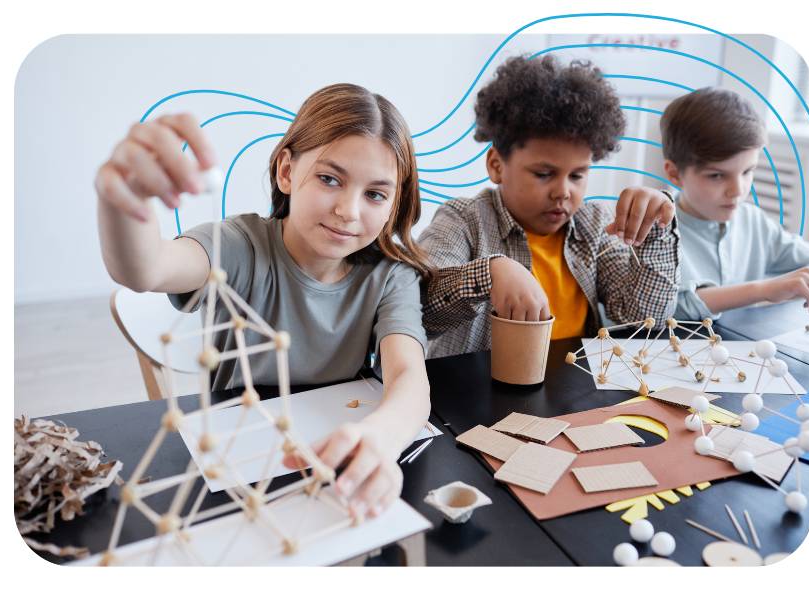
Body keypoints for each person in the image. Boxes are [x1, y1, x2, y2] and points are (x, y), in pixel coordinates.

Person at [95, 83, 431, 518]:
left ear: (393, 204)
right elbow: (146, 268)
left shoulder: (391, 275)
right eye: (330, 179)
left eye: (375, 194)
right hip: (238, 468)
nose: (349, 210)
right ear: (287, 171)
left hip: (333, 464)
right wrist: (125, 200)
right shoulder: (240, 246)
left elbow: (410, 378)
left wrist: (381, 436)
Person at [419, 55, 679, 357]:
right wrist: (490, 273)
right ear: (496, 165)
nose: (563, 192)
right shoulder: (464, 220)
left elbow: (645, 319)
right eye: (544, 174)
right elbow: (420, 308)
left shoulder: (594, 224)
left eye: (578, 175)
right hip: (474, 393)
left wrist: (656, 229)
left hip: (571, 392)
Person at [660, 87, 809, 320]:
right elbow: (672, 307)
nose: (738, 190)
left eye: (747, 171)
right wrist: (764, 290)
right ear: (674, 174)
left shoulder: (753, 221)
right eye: (717, 176)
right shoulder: (656, 230)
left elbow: (808, 255)